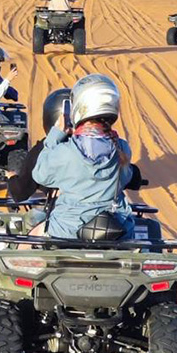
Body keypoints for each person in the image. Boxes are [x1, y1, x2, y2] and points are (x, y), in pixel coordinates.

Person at [31, 74, 134, 239]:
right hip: (116, 230)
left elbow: (40, 175)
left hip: (67, 229)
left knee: (29, 239)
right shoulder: (122, 148)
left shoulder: (66, 152)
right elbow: (126, 177)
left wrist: (55, 135)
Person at [8, 87, 145, 200]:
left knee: (33, 224)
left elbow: (21, 191)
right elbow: (133, 177)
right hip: (110, 218)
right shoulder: (109, 145)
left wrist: (12, 178)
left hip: (68, 220)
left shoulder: (47, 151)